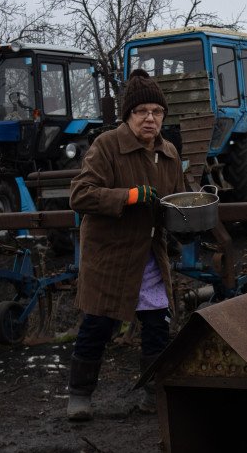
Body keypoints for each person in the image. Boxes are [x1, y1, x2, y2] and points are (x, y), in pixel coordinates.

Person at [65, 69, 185, 421]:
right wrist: (129, 196)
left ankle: (153, 394)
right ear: (128, 115)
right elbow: (79, 195)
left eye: (157, 112)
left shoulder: (170, 153)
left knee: (157, 326)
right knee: (98, 324)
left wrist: (188, 218)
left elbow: (177, 199)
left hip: (148, 254)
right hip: (110, 255)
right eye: (142, 111)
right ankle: (80, 396)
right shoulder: (107, 146)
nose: (150, 118)